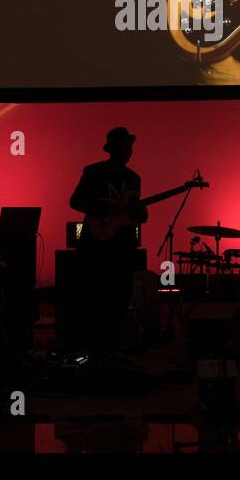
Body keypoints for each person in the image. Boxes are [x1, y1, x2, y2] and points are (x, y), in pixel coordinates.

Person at [68, 127, 146, 354]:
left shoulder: (134, 178)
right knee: (93, 292)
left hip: (122, 243)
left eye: (129, 146)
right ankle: (92, 343)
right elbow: (75, 201)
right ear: (112, 149)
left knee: (120, 294)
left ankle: (112, 344)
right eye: (124, 146)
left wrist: (139, 214)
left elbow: (132, 213)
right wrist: (101, 207)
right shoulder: (93, 172)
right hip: (95, 241)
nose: (128, 151)